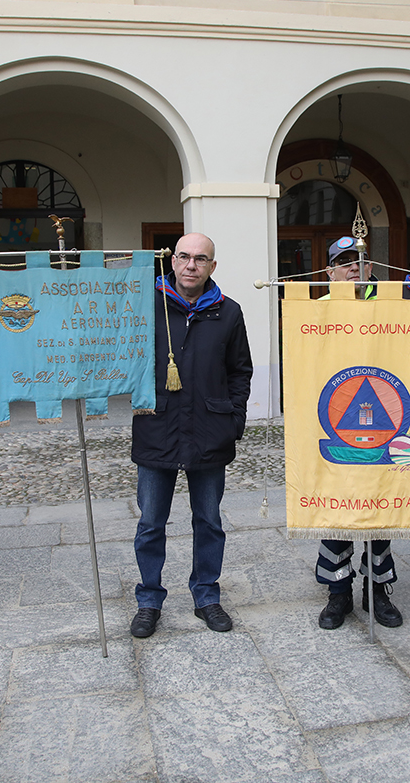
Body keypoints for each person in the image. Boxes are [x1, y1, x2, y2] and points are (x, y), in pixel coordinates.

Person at [129, 232, 253, 638]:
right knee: (150, 523)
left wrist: (234, 421)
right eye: (183, 257)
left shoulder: (229, 313)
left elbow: (240, 372)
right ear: (173, 261)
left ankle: (206, 596)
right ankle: (149, 600)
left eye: (201, 259)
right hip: (157, 429)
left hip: (209, 433)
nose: (191, 265)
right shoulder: (146, 306)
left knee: (209, 521)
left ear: (212, 266)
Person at [315, 236, 403, 629]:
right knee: (336, 512)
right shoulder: (313, 312)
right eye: (345, 261)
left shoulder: (393, 308)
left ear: (371, 269)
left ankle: (377, 591)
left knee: (380, 511)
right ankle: (338, 594)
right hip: (335, 424)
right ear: (329, 271)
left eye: (360, 262)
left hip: (381, 424)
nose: (354, 267)